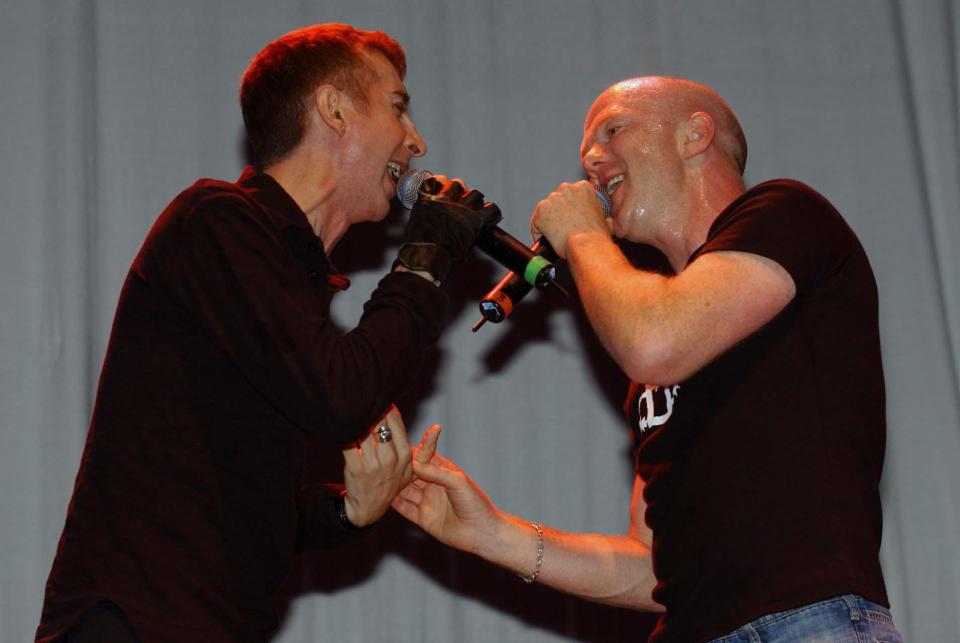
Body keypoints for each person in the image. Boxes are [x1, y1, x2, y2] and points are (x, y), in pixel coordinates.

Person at [393, 76, 904, 642]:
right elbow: (652, 566)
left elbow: (653, 339)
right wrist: (491, 534)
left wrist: (584, 237)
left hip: (805, 623)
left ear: (694, 134)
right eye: (588, 146)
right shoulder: (657, 333)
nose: (591, 158)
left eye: (614, 129)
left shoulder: (786, 213)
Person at [37, 23, 499, 642]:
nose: (415, 143)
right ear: (334, 108)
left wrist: (348, 511)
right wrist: (422, 261)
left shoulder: (286, 279)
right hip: (134, 623)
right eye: (397, 109)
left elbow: (244, 505)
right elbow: (341, 395)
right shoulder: (215, 222)